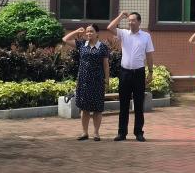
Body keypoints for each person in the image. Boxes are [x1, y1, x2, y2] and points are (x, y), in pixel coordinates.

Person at [106, 11, 154, 141]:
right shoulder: (124, 33)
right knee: (124, 104)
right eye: (129, 20)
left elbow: (149, 55)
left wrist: (150, 72)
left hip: (139, 73)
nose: (130, 23)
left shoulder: (146, 36)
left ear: (139, 22)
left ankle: (139, 132)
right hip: (125, 73)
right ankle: (122, 133)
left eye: (133, 20)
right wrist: (121, 15)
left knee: (138, 104)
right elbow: (110, 27)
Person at [61, 25, 110, 140]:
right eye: (87, 32)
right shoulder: (82, 44)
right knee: (84, 108)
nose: (88, 33)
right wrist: (77, 31)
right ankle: (84, 132)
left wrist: (107, 80)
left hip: (97, 81)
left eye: (91, 31)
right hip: (83, 80)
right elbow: (65, 39)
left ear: (97, 33)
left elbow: (106, 65)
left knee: (97, 108)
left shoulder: (103, 47)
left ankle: (96, 133)